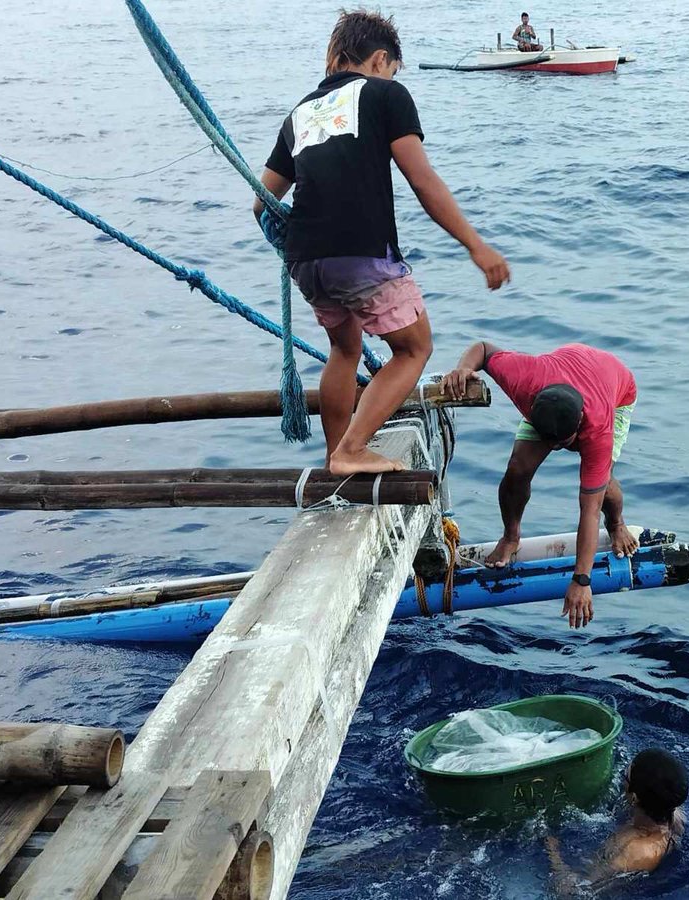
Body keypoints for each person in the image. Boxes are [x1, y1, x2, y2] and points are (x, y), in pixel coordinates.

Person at [254, 10, 510, 475]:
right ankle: (352, 450)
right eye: (391, 68)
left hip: (306, 261)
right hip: (360, 253)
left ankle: (337, 456)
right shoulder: (385, 95)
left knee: (344, 350)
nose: (391, 76)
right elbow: (422, 179)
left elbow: (261, 203)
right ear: (378, 60)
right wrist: (476, 245)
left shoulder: (300, 113)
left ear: (335, 56)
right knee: (415, 348)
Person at [442, 342, 638, 628]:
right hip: (556, 387)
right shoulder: (524, 378)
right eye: (549, 442)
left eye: (562, 443)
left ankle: (618, 524)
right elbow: (483, 349)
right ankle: (511, 537)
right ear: (531, 408)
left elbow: (589, 511)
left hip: (616, 390)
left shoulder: (597, 428)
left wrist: (582, 580)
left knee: (601, 484)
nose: (555, 449)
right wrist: (463, 369)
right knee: (518, 468)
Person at [546, 749, 689, 893]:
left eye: (626, 775)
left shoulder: (633, 851)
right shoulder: (672, 811)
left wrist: (553, 851)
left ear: (634, 798)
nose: (623, 776)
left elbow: (574, 892)